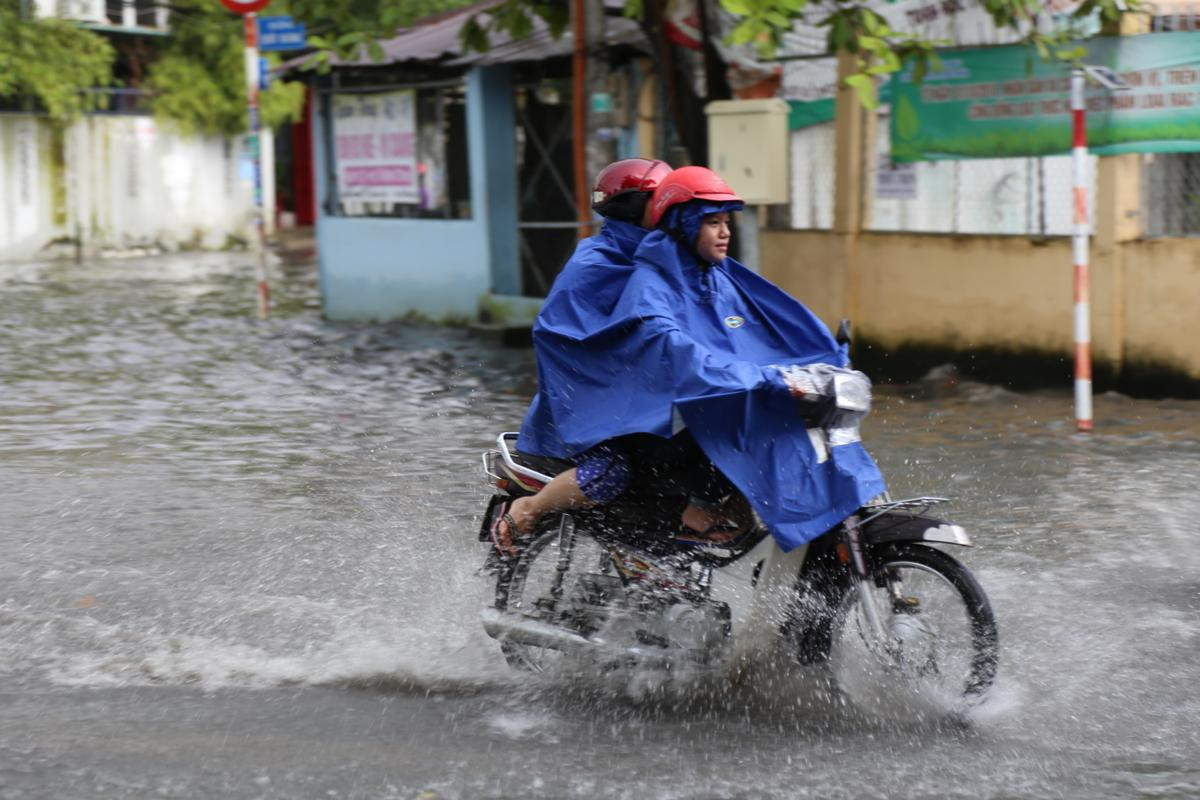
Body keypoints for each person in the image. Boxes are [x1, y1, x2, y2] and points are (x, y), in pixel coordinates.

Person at [507, 166, 887, 553]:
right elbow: (646, 340)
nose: (723, 231)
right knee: (610, 474)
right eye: (710, 220)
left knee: (755, 430)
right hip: (597, 405)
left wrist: (818, 363)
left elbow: (758, 327)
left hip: (663, 391)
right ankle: (531, 509)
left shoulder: (699, 269)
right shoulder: (618, 269)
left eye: (726, 221)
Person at [490, 158, 671, 555]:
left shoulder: (670, 259)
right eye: (662, 204)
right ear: (635, 207)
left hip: (645, 404)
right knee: (610, 474)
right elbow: (561, 340)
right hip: (584, 410)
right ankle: (529, 509)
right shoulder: (596, 263)